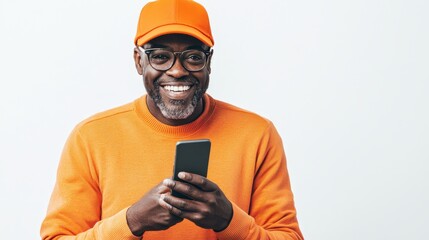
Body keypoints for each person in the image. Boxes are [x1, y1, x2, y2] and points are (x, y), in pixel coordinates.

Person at [40, 0, 304, 239]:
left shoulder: (257, 134)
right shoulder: (91, 137)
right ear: (138, 61)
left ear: (209, 62)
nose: (177, 71)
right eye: (160, 56)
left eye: (192, 57)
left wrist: (228, 220)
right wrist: (132, 221)